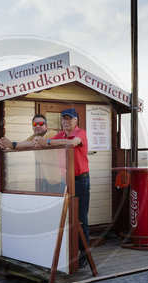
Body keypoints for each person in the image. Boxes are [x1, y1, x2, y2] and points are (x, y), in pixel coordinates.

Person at [33, 108, 90, 268]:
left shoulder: (80, 133)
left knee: (81, 217)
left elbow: (72, 143)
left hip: (80, 181)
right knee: (67, 217)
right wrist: (13, 144)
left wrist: (49, 142)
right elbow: (34, 143)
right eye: (63, 119)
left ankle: (84, 254)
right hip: (67, 180)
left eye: (69, 119)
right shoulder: (61, 135)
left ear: (76, 121)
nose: (66, 121)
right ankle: (69, 252)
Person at [0, 114, 64, 193]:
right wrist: (5, 144)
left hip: (60, 180)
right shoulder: (33, 137)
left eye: (41, 124)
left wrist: (12, 144)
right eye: (35, 124)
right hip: (46, 180)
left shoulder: (52, 133)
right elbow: (21, 145)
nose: (37, 126)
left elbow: (38, 142)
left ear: (46, 126)